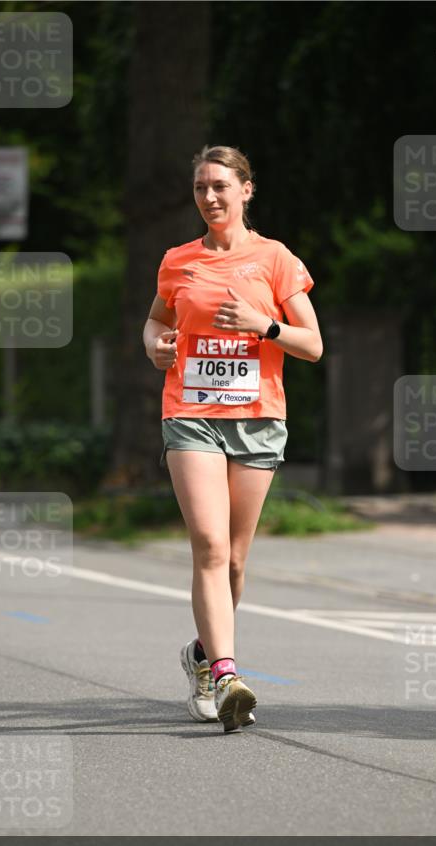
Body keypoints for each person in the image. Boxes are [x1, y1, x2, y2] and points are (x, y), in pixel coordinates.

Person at [142, 145, 322, 733]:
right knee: (210, 547)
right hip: (190, 414)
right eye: (200, 188)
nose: (210, 197)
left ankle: (199, 654)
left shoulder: (274, 259)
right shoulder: (178, 261)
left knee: (236, 560)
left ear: (246, 190)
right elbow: (157, 320)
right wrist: (154, 344)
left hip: (258, 419)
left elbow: (312, 345)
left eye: (221, 186)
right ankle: (224, 674)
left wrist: (263, 325)